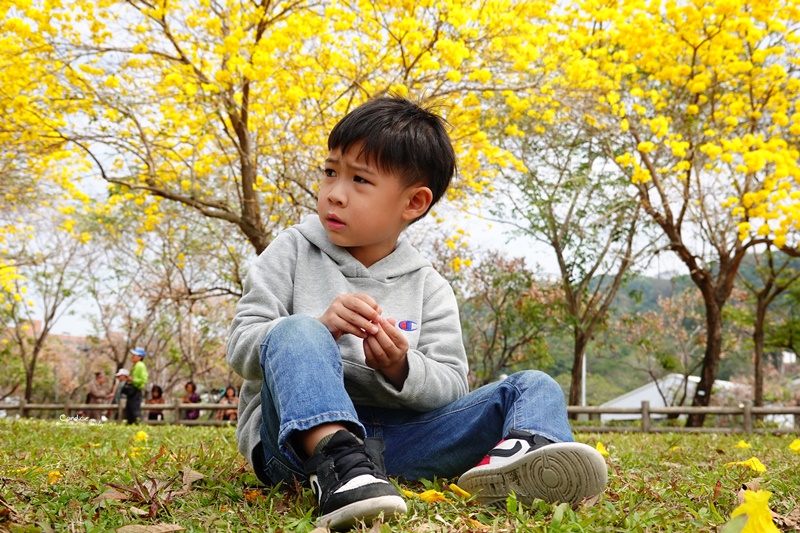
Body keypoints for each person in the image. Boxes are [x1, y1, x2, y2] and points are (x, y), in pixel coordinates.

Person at [226, 96, 608, 529]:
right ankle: (339, 463)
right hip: (296, 446)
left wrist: (401, 367)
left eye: (359, 180)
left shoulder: (429, 285)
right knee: (297, 330)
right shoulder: (292, 251)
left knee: (532, 386)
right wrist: (319, 328)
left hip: (402, 443)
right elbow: (241, 346)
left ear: (413, 203)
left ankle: (522, 459)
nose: (334, 192)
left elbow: (451, 387)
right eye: (330, 171)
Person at [118, 348, 148, 424]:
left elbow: (143, 380)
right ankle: (130, 424)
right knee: (129, 411)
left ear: (140, 357)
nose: (132, 357)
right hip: (132, 391)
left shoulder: (140, 366)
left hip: (136, 390)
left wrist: (133, 380)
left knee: (135, 410)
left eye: (135, 355)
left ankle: (139, 424)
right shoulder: (135, 366)